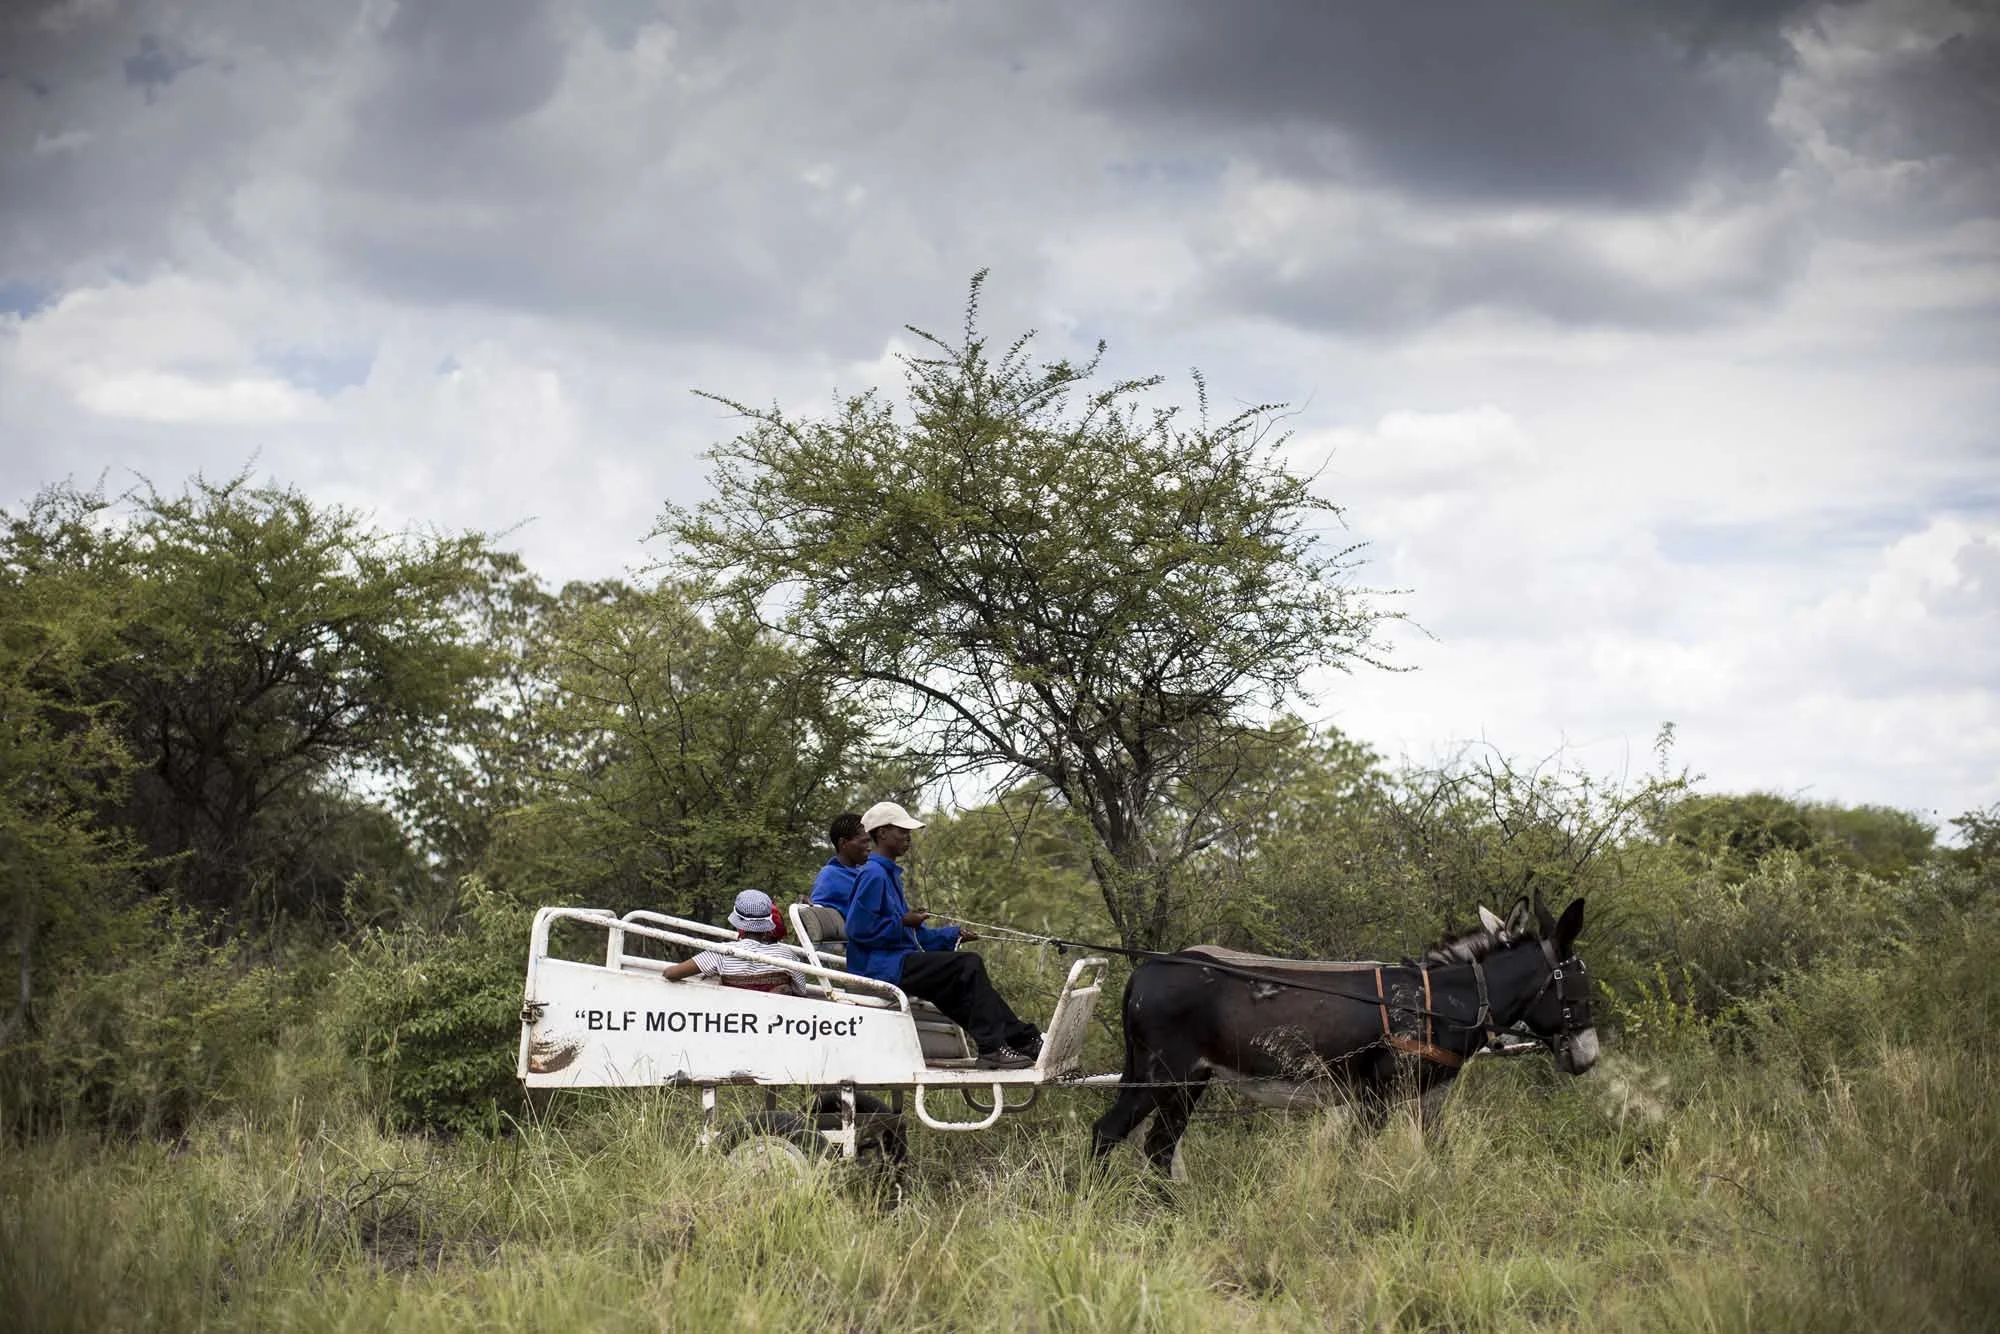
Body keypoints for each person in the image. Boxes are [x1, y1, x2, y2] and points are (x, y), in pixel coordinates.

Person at [842, 800, 1043, 1069]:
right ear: (882, 833)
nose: (908, 838)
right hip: (878, 967)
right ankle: (994, 1048)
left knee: (959, 980)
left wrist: (952, 935)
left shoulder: (888, 874)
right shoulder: (874, 874)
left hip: (896, 960)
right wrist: (904, 920)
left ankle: (1021, 1039)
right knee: (968, 965)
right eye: (902, 831)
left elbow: (913, 937)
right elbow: (857, 930)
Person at [660, 889, 811, 995]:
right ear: (768, 922)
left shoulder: (721, 953)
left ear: (738, 922)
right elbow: (801, 991)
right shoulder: (787, 955)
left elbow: (671, 974)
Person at [808, 811, 871, 915]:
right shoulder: (829, 876)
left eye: (869, 842)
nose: (869, 848)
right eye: (863, 842)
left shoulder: (864, 874)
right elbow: (818, 914)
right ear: (843, 843)